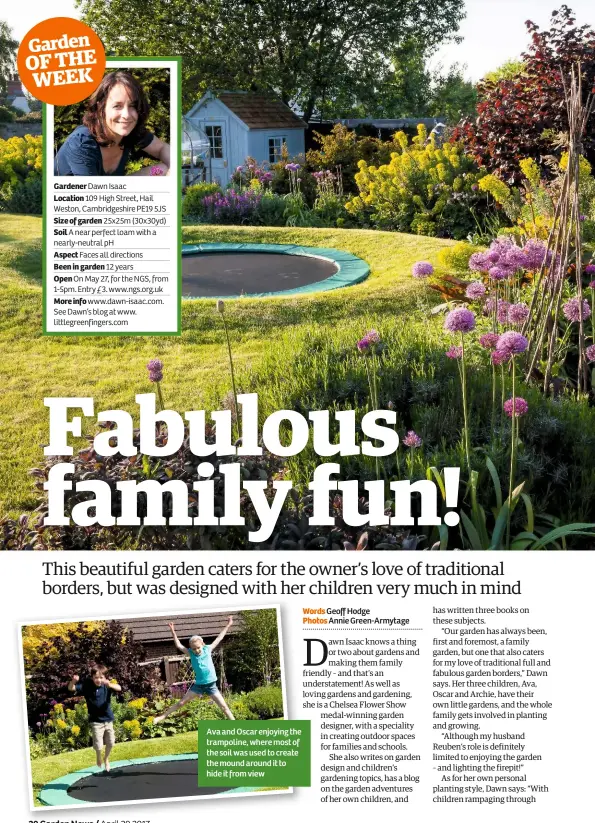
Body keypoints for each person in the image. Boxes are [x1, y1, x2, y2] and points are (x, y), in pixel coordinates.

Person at [54, 70, 170, 176]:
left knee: (164, 169)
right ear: (101, 107)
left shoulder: (131, 131)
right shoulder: (82, 143)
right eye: (117, 106)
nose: (126, 115)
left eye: (133, 106)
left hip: (113, 193)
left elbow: (161, 148)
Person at [154, 617, 235, 724]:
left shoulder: (208, 649)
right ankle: (161, 717)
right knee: (181, 703)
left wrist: (228, 625)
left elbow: (219, 638)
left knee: (224, 707)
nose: (196, 650)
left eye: (198, 647)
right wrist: (173, 631)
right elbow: (178, 645)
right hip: (199, 686)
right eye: (194, 648)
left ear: (203, 644)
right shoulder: (191, 653)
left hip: (211, 686)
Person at [67, 665, 122, 772]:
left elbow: (119, 688)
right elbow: (71, 688)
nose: (98, 680)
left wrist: (109, 684)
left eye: (101, 677)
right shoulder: (87, 686)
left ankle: (106, 759)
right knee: (98, 745)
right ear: (92, 677)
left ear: (105, 678)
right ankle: (98, 756)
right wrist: (73, 681)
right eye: (96, 677)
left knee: (111, 742)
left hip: (108, 719)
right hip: (96, 721)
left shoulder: (107, 686)